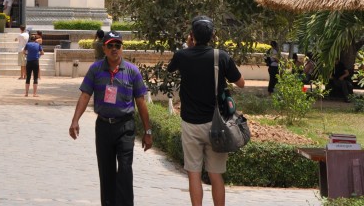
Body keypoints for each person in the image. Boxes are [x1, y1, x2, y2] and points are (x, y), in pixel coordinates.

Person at [167, 15, 245, 206]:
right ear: (213, 35)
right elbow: (241, 83)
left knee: (193, 174)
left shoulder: (182, 56)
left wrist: (188, 47)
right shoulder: (221, 56)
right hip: (216, 124)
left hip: (191, 123)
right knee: (216, 175)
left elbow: (170, 69)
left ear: (191, 35)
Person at [69, 32, 152, 206]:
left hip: (125, 127)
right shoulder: (96, 69)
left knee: (124, 169)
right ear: (104, 48)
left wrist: (148, 131)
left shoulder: (132, 71)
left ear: (122, 48)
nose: (114, 49)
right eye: (110, 45)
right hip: (104, 126)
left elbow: (141, 102)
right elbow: (85, 95)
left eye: (117, 45)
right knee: (106, 172)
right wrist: (75, 120)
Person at [24, 33, 44, 97]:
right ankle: (34, 94)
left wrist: (27, 55)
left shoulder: (27, 44)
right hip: (35, 62)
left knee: (28, 78)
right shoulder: (38, 45)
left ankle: (26, 93)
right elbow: (42, 53)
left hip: (29, 62)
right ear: (35, 39)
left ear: (30, 39)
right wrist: (38, 55)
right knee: (35, 78)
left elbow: (24, 52)